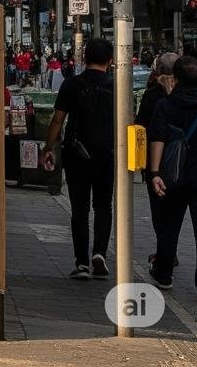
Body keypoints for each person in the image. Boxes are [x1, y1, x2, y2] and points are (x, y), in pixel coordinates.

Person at [41, 38, 115, 279]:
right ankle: (100, 252)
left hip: (77, 154)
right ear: (110, 61)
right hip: (106, 154)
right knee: (103, 205)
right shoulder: (116, 86)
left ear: (84, 58)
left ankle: (82, 263)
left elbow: (57, 120)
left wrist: (48, 147)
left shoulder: (72, 85)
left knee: (79, 208)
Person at [149, 55, 197, 295]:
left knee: (168, 228)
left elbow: (158, 139)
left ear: (176, 78)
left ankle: (164, 274)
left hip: (172, 177)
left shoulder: (165, 105)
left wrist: (154, 173)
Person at [137, 51, 179, 268]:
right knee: (175, 211)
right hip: (182, 162)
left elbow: (140, 127)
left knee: (159, 209)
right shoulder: (189, 94)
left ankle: (166, 252)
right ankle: (169, 251)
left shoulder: (153, 95)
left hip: (156, 162)